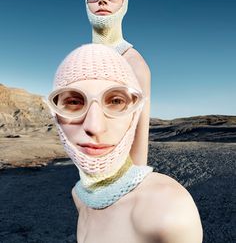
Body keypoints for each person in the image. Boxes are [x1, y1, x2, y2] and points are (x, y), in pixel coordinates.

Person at [47, 44, 203, 243]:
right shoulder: (80, 196)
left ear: (134, 115)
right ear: (55, 114)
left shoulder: (168, 208)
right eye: (74, 102)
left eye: (116, 101)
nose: (94, 126)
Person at [84, 0, 150, 165]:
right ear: (86, 3)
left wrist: (125, 191)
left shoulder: (134, 64)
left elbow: (139, 139)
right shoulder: (85, 60)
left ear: (124, 3)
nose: (102, 0)